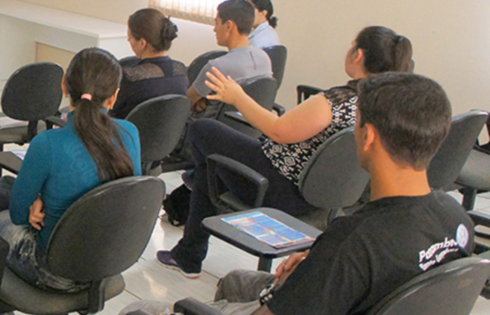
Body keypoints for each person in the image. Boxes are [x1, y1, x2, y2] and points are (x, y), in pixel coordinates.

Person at [120, 72, 471, 315]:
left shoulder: (353, 242)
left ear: (369, 136)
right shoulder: (456, 221)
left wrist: (295, 287)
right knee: (235, 282)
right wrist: (313, 273)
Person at [158, 26, 414, 277]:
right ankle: (188, 250)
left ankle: (190, 247)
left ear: (358, 55)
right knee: (210, 166)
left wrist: (237, 97)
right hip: (326, 196)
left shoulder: (337, 100)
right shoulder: (386, 105)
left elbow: (279, 132)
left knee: (204, 131)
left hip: (278, 186)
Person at [0, 47, 141, 315]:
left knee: (0, 213)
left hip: (54, 271)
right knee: (4, 190)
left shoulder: (47, 143)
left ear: (64, 86)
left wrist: (38, 200)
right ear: (113, 97)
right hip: (107, 263)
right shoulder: (129, 134)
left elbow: (21, 216)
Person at [187, 0, 271, 115]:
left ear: (228, 26)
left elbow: (187, 102)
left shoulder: (217, 67)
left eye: (217, 23)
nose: (214, 29)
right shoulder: (265, 59)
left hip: (214, 129)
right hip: (253, 129)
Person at [111, 8, 188, 120]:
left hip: (127, 134)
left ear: (142, 43)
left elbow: (110, 110)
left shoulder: (129, 77)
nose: (128, 41)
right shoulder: (181, 70)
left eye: (130, 38)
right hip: (168, 137)